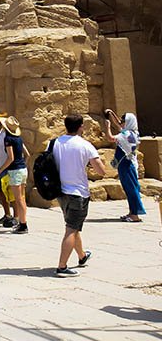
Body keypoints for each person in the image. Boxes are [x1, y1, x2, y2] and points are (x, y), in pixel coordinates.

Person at [53, 114, 106, 276]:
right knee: (71, 229)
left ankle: (82, 256)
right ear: (81, 126)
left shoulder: (55, 143)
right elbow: (101, 171)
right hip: (78, 192)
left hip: (61, 191)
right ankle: (62, 266)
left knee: (73, 226)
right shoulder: (85, 145)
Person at [103, 109, 146, 222]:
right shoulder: (132, 133)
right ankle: (132, 212)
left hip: (127, 165)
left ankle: (135, 214)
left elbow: (110, 138)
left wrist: (107, 126)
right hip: (126, 164)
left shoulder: (126, 135)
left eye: (123, 121)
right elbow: (119, 125)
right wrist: (112, 113)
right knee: (128, 188)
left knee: (131, 189)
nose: (121, 122)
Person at [0, 116, 30, 234]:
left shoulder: (8, 139)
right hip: (22, 169)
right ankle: (22, 221)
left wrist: (0, 170)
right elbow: (27, 154)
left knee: (17, 198)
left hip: (14, 170)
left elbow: (10, 158)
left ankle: (23, 224)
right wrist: (23, 165)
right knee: (21, 198)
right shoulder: (18, 138)